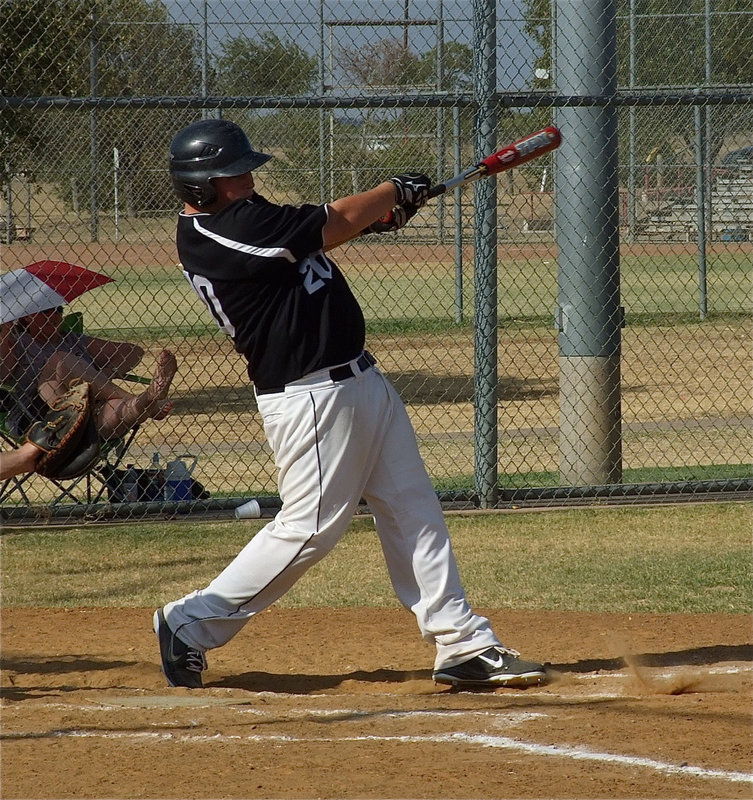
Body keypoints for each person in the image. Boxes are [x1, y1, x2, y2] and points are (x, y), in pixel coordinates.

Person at [154, 118, 548, 690]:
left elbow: (318, 237)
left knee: (412, 509)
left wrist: (380, 216)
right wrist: (392, 191)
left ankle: (461, 642)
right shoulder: (214, 232)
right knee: (310, 528)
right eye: (232, 175)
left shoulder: (247, 215)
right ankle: (189, 622)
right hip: (311, 396)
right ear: (199, 186)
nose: (247, 181)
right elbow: (330, 221)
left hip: (360, 381)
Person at [0, 312, 177, 479]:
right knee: (60, 360)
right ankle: (145, 402)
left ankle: (147, 399)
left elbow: (132, 352)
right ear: (27, 317)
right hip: (41, 419)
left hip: (88, 421)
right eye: (46, 311)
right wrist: (5, 331)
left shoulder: (73, 340)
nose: (55, 315)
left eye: (58, 310)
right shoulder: (18, 343)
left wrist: (105, 374)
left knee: (118, 407)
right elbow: (2, 374)